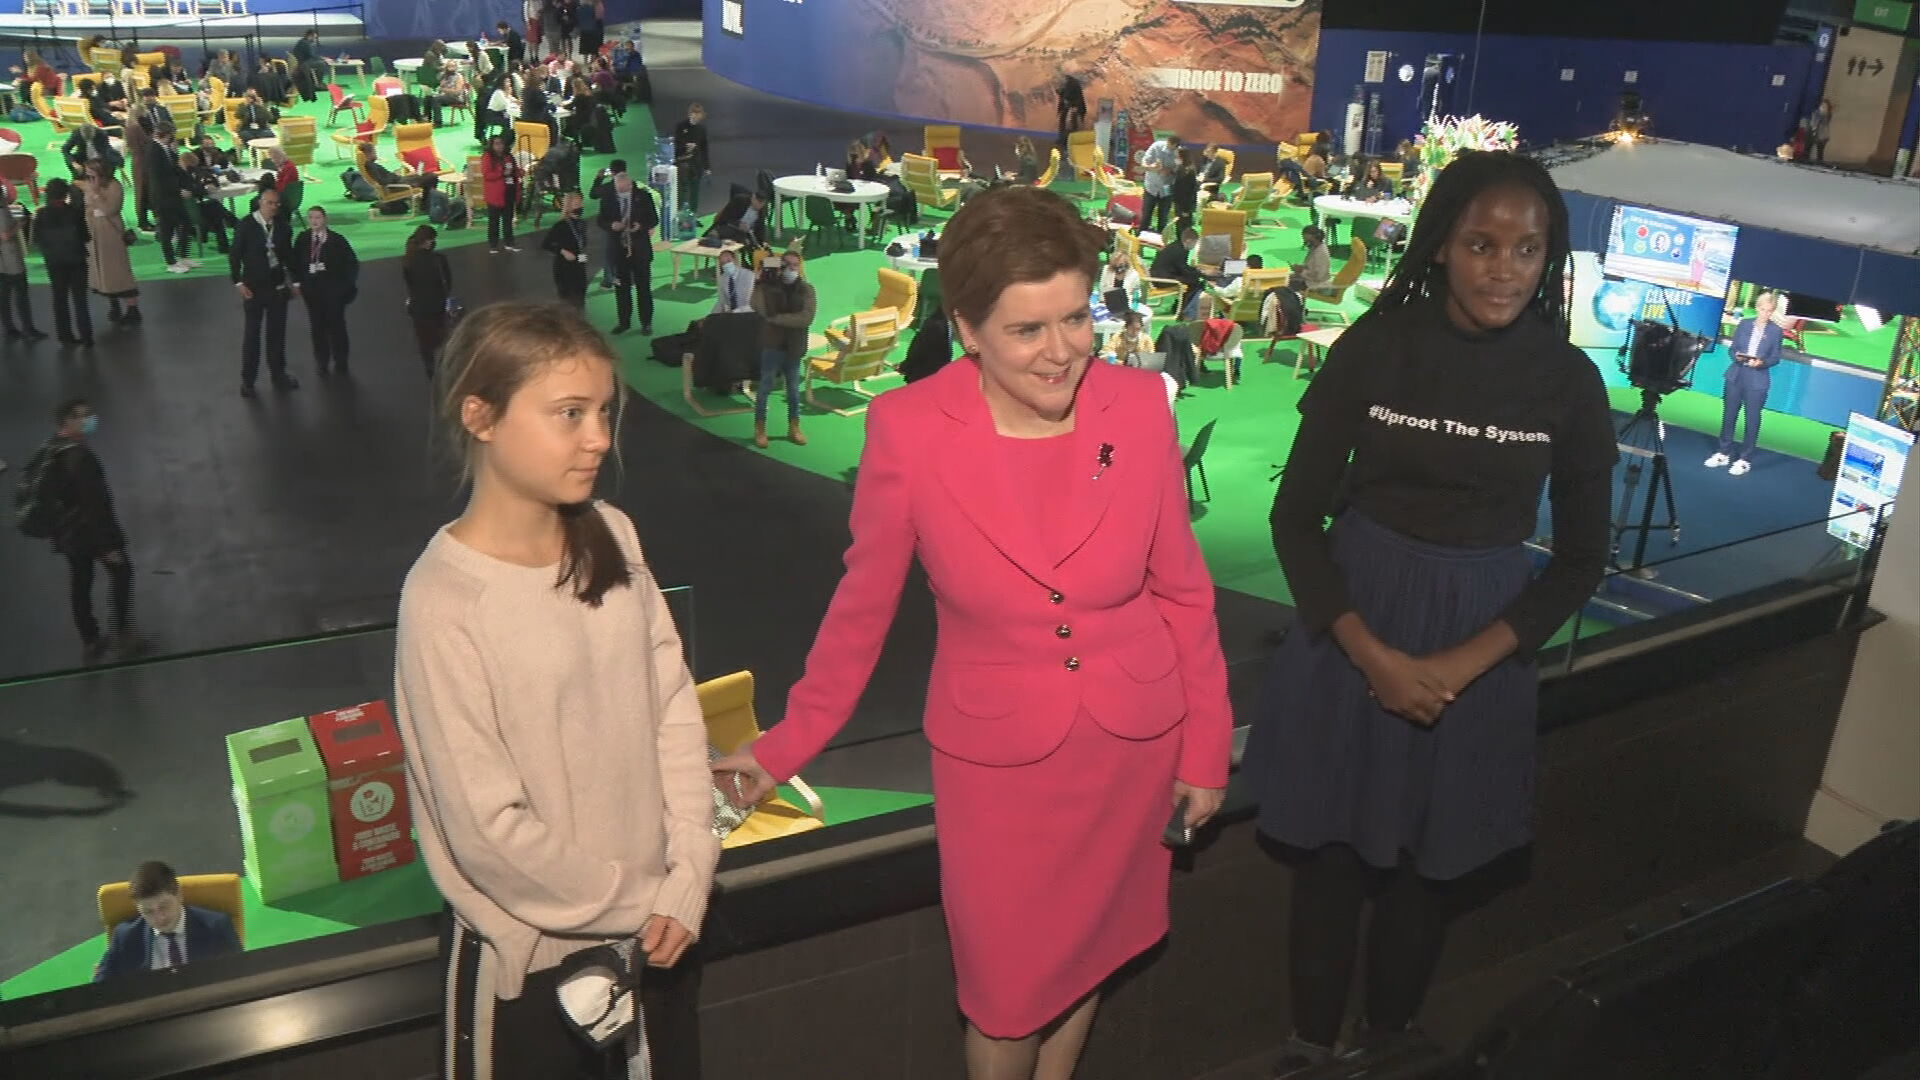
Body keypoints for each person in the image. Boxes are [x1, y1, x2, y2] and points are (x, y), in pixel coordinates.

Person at [714, 184, 1231, 1080]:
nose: (1063, 352)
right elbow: (859, 613)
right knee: (1004, 994)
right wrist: (780, 749)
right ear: (966, 327)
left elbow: (1183, 593)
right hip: (999, 772)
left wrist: (1205, 752)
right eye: (1028, 331)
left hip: (1132, 749)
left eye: (1077, 319)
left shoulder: (1140, 408)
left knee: (1088, 960)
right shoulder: (908, 431)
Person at [1247, 151, 1616, 1076]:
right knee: (1333, 861)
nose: (1504, 267)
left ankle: (1388, 1048)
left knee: (1429, 868)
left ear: (1548, 259)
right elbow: (1296, 519)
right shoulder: (1375, 347)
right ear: (1443, 246)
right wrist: (1371, 655)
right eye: (1483, 244)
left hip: (1482, 646)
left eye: (1527, 249)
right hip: (1353, 624)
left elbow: (1580, 561)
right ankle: (1307, 1050)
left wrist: (1455, 669)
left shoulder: (1568, 383)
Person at [395, 301, 716, 1080]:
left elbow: (671, 702)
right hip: (531, 980)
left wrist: (691, 867)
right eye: (569, 413)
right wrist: (649, 897)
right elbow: (488, 831)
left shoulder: (613, 532)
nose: (599, 439)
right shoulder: (443, 603)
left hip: (657, 942)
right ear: (482, 416)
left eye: (604, 412)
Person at [34, 398, 139, 660]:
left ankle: (90, 638)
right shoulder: (80, 459)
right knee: (122, 572)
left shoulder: (52, 449)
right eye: (82, 416)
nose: (89, 420)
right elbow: (95, 506)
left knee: (80, 582)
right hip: (91, 533)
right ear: (67, 421)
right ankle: (122, 631)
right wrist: (109, 547)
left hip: (68, 533)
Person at [93, 861, 240, 980]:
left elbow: (238, 976)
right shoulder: (126, 936)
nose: (159, 918)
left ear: (179, 895)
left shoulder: (216, 928)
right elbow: (102, 985)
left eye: (164, 906)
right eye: (148, 912)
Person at [230, 186, 299, 397]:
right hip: (253, 289)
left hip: (277, 288)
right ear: (260, 203)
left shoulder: (283, 227)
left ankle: (279, 375)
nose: (273, 207)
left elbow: (289, 256)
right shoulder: (246, 225)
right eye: (269, 203)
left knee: (277, 334)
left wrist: (295, 283)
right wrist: (238, 283)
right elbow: (234, 255)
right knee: (252, 335)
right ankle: (248, 381)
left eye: (276, 204)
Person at [1706, 291, 1784, 478]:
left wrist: (1761, 363)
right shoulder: (1744, 324)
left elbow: (1775, 357)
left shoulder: (1776, 331)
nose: (1765, 314)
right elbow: (1733, 350)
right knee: (1729, 415)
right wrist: (1738, 357)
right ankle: (1723, 453)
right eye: (1763, 309)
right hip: (1736, 376)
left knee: (1752, 420)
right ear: (1757, 308)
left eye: (1769, 311)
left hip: (1757, 381)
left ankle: (1744, 459)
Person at [746, 249, 812, 449]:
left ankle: (794, 427)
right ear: (780, 267)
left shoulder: (807, 290)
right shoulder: (768, 287)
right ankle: (760, 429)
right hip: (772, 345)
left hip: (794, 346)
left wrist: (776, 319)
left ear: (800, 268)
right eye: (787, 265)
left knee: (792, 390)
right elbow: (757, 307)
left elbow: (805, 318)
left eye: (795, 265)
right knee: (764, 388)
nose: (791, 269)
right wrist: (758, 282)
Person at [289, 207, 359, 377]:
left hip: (333, 292)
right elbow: (294, 262)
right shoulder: (303, 239)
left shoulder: (337, 240)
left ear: (325, 219)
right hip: (312, 292)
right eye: (311, 217)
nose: (314, 221)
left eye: (318, 217)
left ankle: (340, 360)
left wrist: (344, 287)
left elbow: (352, 264)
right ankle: (322, 360)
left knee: (336, 325)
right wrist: (297, 282)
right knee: (317, 327)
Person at [77, 158, 142, 326]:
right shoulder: (89, 184)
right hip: (94, 232)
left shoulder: (114, 185)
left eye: (91, 170)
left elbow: (110, 209)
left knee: (118, 270)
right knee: (102, 271)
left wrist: (97, 194)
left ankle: (132, 309)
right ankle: (114, 305)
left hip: (110, 234)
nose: (88, 173)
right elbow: (87, 206)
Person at [35, 178, 94, 347]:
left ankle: (65, 336)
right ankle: (86, 336)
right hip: (76, 261)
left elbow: (38, 240)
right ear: (65, 194)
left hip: (55, 263)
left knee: (59, 299)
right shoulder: (74, 213)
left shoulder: (41, 214)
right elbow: (86, 237)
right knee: (80, 300)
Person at [597, 170, 657, 335]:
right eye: (618, 190)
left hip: (640, 249)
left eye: (625, 190)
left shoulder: (643, 197)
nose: (621, 193)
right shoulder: (608, 198)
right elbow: (601, 220)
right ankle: (624, 322)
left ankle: (646, 323)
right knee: (621, 288)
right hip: (619, 250)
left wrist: (641, 227)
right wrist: (611, 226)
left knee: (643, 287)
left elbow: (653, 219)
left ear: (630, 185)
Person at [402, 225, 453, 375]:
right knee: (442, 336)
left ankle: (429, 367)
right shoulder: (439, 260)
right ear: (429, 241)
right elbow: (447, 282)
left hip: (418, 306)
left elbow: (409, 283)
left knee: (424, 340)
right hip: (437, 305)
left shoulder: (407, 260)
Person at [0, 186, 45, 341]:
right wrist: (18, 225)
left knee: (4, 296)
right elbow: (6, 235)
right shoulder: (5, 210)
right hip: (11, 259)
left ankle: (9, 327)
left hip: (4, 262)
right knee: (21, 295)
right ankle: (28, 328)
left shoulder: (8, 209)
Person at [542, 191, 591, 309]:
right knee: (567, 300)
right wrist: (562, 251)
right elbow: (546, 244)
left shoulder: (581, 224)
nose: (580, 206)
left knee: (580, 296)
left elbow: (582, 243)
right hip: (564, 266)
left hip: (579, 263)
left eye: (580, 203)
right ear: (568, 207)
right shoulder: (561, 225)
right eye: (576, 204)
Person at [1151, 226, 1207, 320]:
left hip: (1161, 275)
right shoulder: (1180, 251)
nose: (1194, 246)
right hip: (1161, 280)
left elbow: (1181, 267)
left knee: (1193, 279)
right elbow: (1183, 269)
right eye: (1195, 243)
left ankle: (1181, 306)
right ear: (1189, 241)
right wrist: (1200, 274)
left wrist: (1196, 271)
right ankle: (1183, 310)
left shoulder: (1177, 245)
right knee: (1195, 283)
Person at [481, 134, 521, 254]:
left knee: (508, 220)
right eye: (496, 143)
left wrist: (520, 172)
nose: (500, 146)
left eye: (501, 143)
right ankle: (493, 245)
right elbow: (487, 175)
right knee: (494, 221)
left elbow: (514, 170)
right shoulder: (487, 157)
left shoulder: (508, 156)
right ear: (491, 145)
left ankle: (509, 242)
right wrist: (502, 173)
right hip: (495, 195)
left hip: (509, 191)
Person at [1138, 133, 1180, 237]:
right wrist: (1151, 167)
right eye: (1168, 146)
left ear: (1176, 146)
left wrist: (1169, 170)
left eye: (1172, 148)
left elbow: (1180, 171)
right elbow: (1144, 163)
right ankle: (1141, 237)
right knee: (1146, 215)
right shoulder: (1156, 146)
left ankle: (1161, 238)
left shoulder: (1179, 153)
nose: (1169, 149)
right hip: (1151, 186)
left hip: (1167, 187)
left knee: (1163, 215)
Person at [672, 103, 709, 215]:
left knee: (695, 191)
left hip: (696, 165)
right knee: (682, 190)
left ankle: (693, 216)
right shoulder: (681, 126)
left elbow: (704, 148)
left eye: (699, 116)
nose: (697, 118)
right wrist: (686, 147)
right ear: (690, 114)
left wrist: (707, 167)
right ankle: (680, 214)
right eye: (695, 115)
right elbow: (676, 144)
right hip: (683, 164)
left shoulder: (702, 129)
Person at [711, 244, 756, 315]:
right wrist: (711, 316)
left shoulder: (748, 275)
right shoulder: (722, 279)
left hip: (749, 313)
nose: (726, 265)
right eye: (723, 263)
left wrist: (733, 312)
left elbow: (748, 300)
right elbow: (721, 301)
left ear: (735, 260)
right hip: (732, 314)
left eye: (728, 261)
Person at [1294, 225, 1332, 293]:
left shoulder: (1321, 252)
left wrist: (1301, 271)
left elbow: (1320, 276)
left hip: (1315, 284)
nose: (1305, 242)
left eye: (1306, 240)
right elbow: (1311, 266)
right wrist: (1302, 267)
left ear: (1314, 238)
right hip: (1309, 280)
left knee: (1284, 285)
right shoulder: (1315, 248)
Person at [1056, 63, 1086, 146]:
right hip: (1068, 107)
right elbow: (1064, 94)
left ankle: (1069, 141)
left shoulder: (1072, 83)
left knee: (1071, 124)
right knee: (1064, 122)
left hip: (1073, 107)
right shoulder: (1068, 82)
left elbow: (1071, 96)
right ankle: (1063, 140)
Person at [1806, 99, 1832, 164]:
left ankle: (1816, 162)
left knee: (1818, 150)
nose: (1823, 107)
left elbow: (1815, 124)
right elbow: (1814, 123)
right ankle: (1816, 162)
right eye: (1822, 105)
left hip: (1820, 134)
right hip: (1820, 134)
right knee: (1816, 150)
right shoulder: (1822, 113)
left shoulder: (1825, 114)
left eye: (1824, 106)